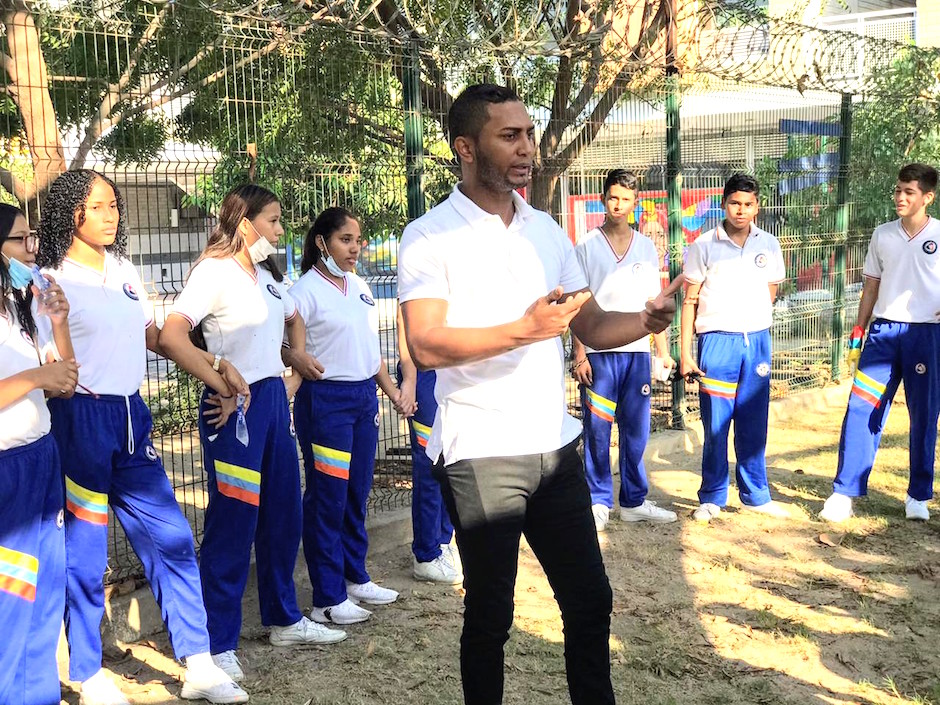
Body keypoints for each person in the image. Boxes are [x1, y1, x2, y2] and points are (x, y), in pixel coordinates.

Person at [397, 83, 678, 705]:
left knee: (589, 600)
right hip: (479, 449)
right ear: (465, 148)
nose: (528, 148)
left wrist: (647, 321)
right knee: (493, 613)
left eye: (529, 133)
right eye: (510, 136)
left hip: (553, 447)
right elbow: (426, 344)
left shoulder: (546, 230)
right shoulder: (429, 236)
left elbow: (594, 325)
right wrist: (524, 329)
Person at [36, 170, 247, 705]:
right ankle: (87, 673)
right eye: (100, 206)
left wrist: (216, 368)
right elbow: (48, 362)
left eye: (115, 206)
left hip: (132, 417)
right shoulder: (49, 281)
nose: (112, 216)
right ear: (72, 213)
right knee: (84, 553)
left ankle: (198, 663)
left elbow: (153, 336)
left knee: (171, 535)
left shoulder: (126, 270)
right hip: (79, 418)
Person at [159, 184, 347, 683]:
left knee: (283, 513)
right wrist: (216, 375)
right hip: (233, 411)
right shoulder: (214, 273)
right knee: (233, 522)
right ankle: (216, 643)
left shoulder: (265, 275)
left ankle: (284, 618)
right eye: (274, 221)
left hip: (269, 404)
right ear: (245, 224)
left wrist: (292, 374)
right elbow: (172, 335)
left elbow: (293, 320)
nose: (282, 231)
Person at [288, 207, 403, 625]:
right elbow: (284, 345)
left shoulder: (358, 285)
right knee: (327, 499)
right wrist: (295, 364)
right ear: (322, 242)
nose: (356, 248)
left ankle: (355, 577)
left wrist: (391, 392)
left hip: (362, 400)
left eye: (358, 240)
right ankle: (327, 598)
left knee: (356, 494)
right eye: (346, 240)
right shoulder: (302, 292)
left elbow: (370, 350)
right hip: (326, 402)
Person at [820, 163, 940, 523]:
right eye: (898, 190)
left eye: (909, 192)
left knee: (924, 415)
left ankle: (918, 495)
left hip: (926, 334)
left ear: (927, 197)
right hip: (883, 335)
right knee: (861, 408)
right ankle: (844, 492)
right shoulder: (882, 234)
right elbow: (871, 285)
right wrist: (859, 330)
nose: (900, 198)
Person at [571, 170, 678, 531]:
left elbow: (654, 306)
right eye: (613, 197)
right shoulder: (585, 245)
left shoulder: (646, 248)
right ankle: (598, 500)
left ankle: (634, 501)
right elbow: (577, 303)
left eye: (626, 199)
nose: (619, 205)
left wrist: (661, 352)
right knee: (598, 429)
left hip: (636, 354)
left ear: (636, 203)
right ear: (604, 199)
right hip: (599, 354)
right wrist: (580, 353)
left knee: (636, 430)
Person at [0, 204, 77, 705]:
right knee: (12, 593)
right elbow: (40, 380)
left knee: (47, 584)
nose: (32, 250)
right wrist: (36, 379)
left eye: (33, 238)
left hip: (41, 456)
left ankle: (37, 693)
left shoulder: (20, 312)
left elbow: (67, 379)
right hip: (7, 468)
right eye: (21, 240)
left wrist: (61, 322)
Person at [679, 173, 789, 523]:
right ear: (723, 204)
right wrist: (685, 353)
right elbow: (689, 302)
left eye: (748, 204)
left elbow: (770, 291)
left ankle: (756, 495)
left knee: (753, 422)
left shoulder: (768, 244)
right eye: (734, 203)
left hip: (756, 340)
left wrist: (751, 319)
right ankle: (712, 496)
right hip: (717, 341)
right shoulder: (703, 245)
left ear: (757, 207)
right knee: (715, 424)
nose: (740, 210)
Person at [397, 313, 461, 583]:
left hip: (453, 369)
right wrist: (409, 379)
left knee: (453, 459)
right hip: (425, 374)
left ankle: (444, 541)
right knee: (430, 463)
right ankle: (425, 553)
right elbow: (405, 322)